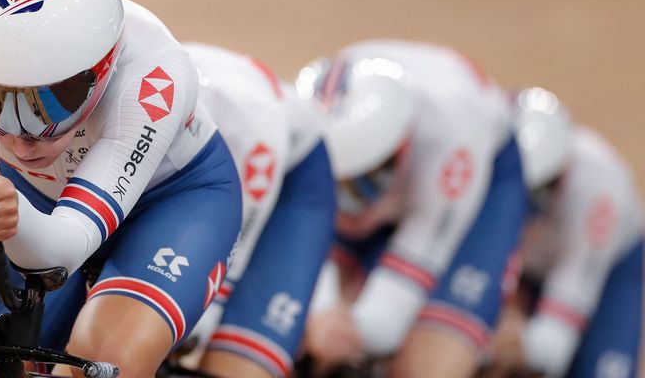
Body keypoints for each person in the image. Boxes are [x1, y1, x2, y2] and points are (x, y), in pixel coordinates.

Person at [0, 0, 242, 378]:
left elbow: (60, 250)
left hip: (171, 201)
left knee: (107, 359)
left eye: (47, 107)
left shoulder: (155, 72)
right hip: (32, 201)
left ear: (102, 73)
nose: (18, 140)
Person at [297, 40, 528, 377]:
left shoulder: (453, 134)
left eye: (364, 179)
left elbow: (388, 316)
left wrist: (350, 328)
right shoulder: (297, 127)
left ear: (400, 146)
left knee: (423, 366)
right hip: (403, 178)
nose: (351, 202)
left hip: (473, 187)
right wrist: (322, 307)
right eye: (337, 184)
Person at [180, 43, 336, 378]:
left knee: (214, 349)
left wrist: (203, 313)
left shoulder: (250, 116)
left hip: (289, 188)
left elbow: (236, 237)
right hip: (204, 180)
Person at [486, 87, 643, 378]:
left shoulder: (599, 192)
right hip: (533, 265)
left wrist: (517, 343)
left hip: (609, 269)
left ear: (562, 175)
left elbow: (552, 347)